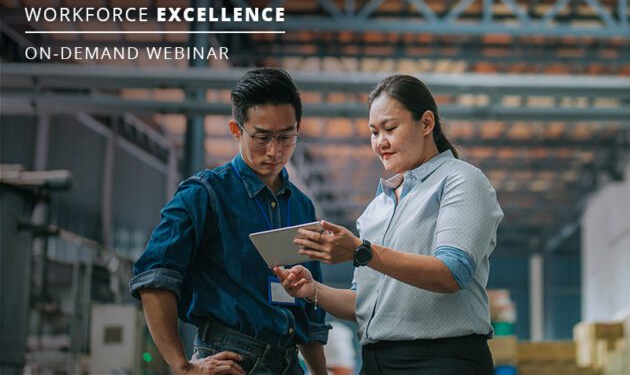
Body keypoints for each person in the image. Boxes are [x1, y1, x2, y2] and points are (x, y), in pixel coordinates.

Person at [274, 74, 503, 375]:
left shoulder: (460, 180)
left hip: (442, 360)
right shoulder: (377, 208)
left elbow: (451, 273)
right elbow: (363, 304)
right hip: (376, 362)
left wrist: (361, 251)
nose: (380, 142)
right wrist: (313, 290)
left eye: (390, 128)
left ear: (426, 123)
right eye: (373, 132)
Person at [129, 68, 329, 375]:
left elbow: (311, 304)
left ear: (298, 128)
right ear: (236, 130)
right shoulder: (204, 194)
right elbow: (155, 278)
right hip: (230, 362)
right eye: (262, 137)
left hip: (289, 363)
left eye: (286, 136)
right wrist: (182, 367)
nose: (275, 150)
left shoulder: (301, 206)